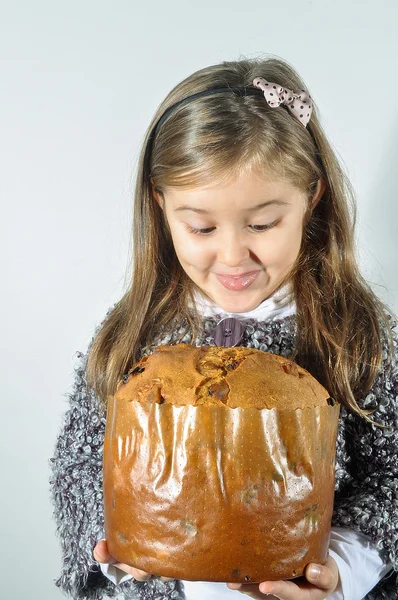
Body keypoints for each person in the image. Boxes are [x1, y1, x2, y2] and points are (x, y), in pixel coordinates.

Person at [49, 55, 398, 600]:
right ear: (162, 209)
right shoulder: (134, 332)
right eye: (201, 226)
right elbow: (78, 467)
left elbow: (391, 478)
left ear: (313, 198)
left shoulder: (352, 331)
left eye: (263, 223)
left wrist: (342, 576)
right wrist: (116, 546)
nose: (234, 255)